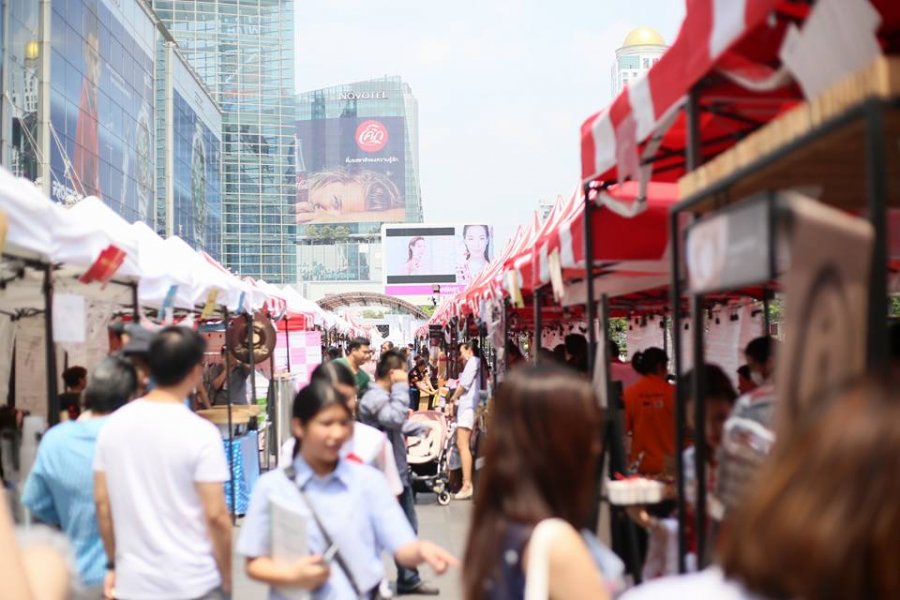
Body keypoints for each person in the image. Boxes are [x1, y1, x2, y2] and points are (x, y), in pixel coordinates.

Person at [620, 374, 900, 599]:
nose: (712, 431)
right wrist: (650, 522)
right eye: (699, 420)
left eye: (719, 418)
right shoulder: (691, 462)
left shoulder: (759, 460)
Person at [238, 380, 457, 599]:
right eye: (326, 423)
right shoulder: (272, 488)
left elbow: (401, 545)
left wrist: (421, 551)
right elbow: (254, 563)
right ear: (299, 427)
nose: (337, 433)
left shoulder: (369, 482)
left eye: (343, 423)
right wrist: (292, 575)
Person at [94, 327, 232, 600]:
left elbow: (102, 504)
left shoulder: (113, 425)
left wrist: (112, 563)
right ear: (195, 371)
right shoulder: (201, 432)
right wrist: (227, 574)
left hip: (134, 583)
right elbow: (216, 515)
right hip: (194, 582)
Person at [463, 364, 612, 600]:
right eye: (589, 429)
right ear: (562, 443)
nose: (596, 445)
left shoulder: (495, 529)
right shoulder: (557, 545)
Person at [22, 357, 137, 593]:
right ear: (131, 398)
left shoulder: (56, 440)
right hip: (142, 578)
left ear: (87, 396)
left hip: (81, 576)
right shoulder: (140, 437)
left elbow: (38, 507)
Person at [359, 350, 440, 596]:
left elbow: (394, 424)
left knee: (406, 527)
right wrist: (403, 388)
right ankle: (374, 580)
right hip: (381, 476)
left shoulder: (381, 397)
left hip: (395, 472)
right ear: (394, 373)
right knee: (383, 530)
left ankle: (408, 577)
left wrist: (419, 428)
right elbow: (394, 418)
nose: (407, 375)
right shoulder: (374, 398)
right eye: (404, 371)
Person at [278, 361, 403, 496]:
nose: (338, 405)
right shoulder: (290, 450)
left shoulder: (376, 442)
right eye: (329, 397)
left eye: (345, 398)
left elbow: (392, 494)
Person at [623, 348, 674, 477]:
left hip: (641, 469)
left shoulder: (630, 394)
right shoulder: (675, 393)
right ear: (660, 367)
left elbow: (622, 429)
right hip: (670, 468)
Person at [73, 2, 102, 198]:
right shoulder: (84, 103)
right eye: (92, 58)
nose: (94, 70)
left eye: (97, 60)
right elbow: (80, 173)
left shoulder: (95, 104)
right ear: (84, 54)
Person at [448, 342, 480, 500]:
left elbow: (464, 385)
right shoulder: (476, 363)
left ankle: (467, 484)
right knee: (463, 445)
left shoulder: (473, 362)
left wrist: (453, 398)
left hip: (468, 408)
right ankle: (465, 482)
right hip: (468, 407)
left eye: (461, 352)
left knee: (462, 444)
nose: (460, 357)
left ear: (470, 350)